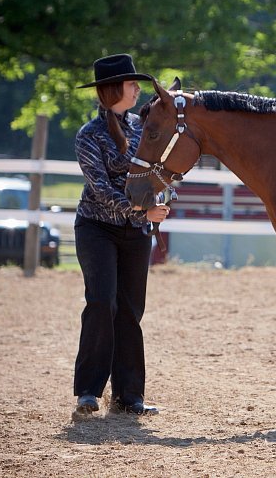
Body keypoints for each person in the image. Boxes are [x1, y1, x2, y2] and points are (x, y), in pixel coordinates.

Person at [72, 54, 170, 418]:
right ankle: (87, 391)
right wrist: (143, 211)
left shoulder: (142, 127)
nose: (138, 90)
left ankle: (129, 397)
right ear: (114, 90)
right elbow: (99, 190)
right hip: (97, 228)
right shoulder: (88, 135)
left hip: (135, 231)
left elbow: (153, 171)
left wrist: (159, 197)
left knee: (130, 310)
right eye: (132, 84)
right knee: (102, 302)